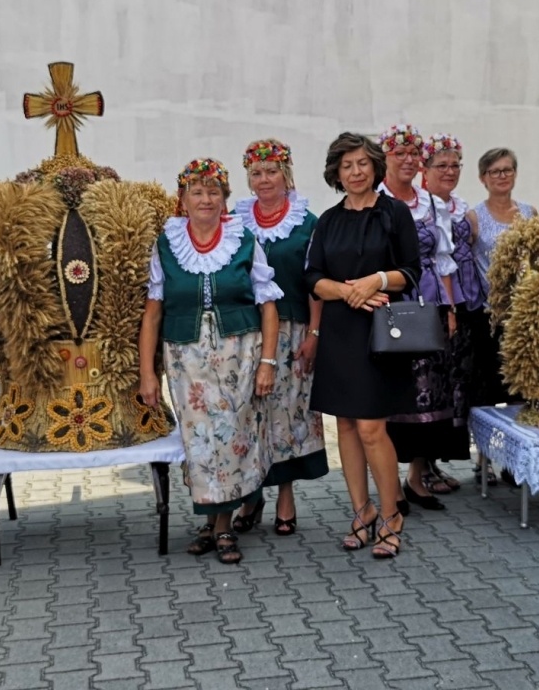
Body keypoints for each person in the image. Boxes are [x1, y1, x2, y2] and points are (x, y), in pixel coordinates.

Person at [138, 159, 282, 565]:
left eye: (213, 192)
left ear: (225, 199)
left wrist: (268, 362)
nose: (205, 199)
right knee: (199, 441)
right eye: (197, 192)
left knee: (234, 436)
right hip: (186, 358)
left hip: (239, 352)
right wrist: (147, 373)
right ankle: (211, 520)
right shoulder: (167, 242)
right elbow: (152, 312)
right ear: (182, 199)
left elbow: (269, 305)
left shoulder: (243, 238)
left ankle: (222, 526)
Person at [306, 132, 419, 559]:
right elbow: (311, 277)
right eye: (346, 165)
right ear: (336, 172)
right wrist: (345, 291)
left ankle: (392, 515)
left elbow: (412, 270)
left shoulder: (394, 213)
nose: (354, 172)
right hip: (339, 330)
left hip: (379, 334)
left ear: (375, 167)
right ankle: (362, 510)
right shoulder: (328, 221)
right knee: (347, 427)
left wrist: (376, 281)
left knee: (372, 428)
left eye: (361, 163)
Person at [230, 139, 328, 537]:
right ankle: (251, 496)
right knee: (247, 414)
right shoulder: (235, 220)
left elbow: (316, 283)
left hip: (292, 331)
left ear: (286, 174)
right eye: (256, 172)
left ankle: (285, 497)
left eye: (271, 171)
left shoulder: (307, 221)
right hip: (246, 334)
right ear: (249, 179)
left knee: (286, 416)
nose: (264, 179)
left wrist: (315, 334)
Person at [375, 124, 463, 511]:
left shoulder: (432, 204)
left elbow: (443, 260)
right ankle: (389, 484)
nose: (408, 159)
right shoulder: (374, 200)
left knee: (430, 391)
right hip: (388, 300)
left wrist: (450, 306)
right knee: (392, 390)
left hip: (427, 300)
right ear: (386, 159)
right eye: (400, 153)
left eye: (414, 153)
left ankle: (416, 476)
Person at [465, 147, 537, 485]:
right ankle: (483, 461)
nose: (502, 176)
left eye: (507, 170)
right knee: (486, 391)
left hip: (523, 317)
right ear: (483, 178)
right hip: (489, 317)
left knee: (519, 391)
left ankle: (514, 461)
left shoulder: (529, 213)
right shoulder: (474, 218)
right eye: (494, 171)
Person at [419, 133, 484, 494]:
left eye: (455, 165)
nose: (449, 171)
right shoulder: (422, 207)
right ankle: (422, 464)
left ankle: (438, 460)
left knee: (458, 385)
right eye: (441, 165)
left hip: (466, 301)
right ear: (424, 170)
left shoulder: (461, 207)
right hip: (437, 300)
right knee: (434, 383)